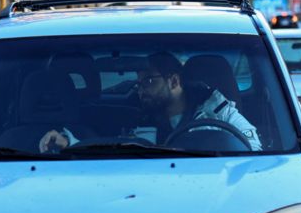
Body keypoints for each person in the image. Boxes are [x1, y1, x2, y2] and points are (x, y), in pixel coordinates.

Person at [39, 52, 261, 152]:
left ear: (173, 81)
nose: (140, 89)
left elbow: (253, 148)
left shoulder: (219, 110)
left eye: (148, 81)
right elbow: (113, 148)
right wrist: (70, 141)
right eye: (139, 82)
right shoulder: (140, 115)